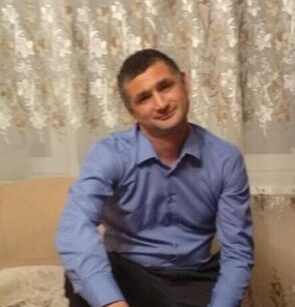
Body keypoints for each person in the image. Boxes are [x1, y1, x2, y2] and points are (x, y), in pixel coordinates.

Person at [56, 49, 254, 307]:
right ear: (131, 110)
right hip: (127, 274)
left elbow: (237, 253)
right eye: (144, 98)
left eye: (165, 86)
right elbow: (75, 227)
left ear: (184, 83)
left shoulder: (225, 159)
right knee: (83, 278)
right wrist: (112, 303)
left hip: (192, 278)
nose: (160, 104)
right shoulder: (108, 154)